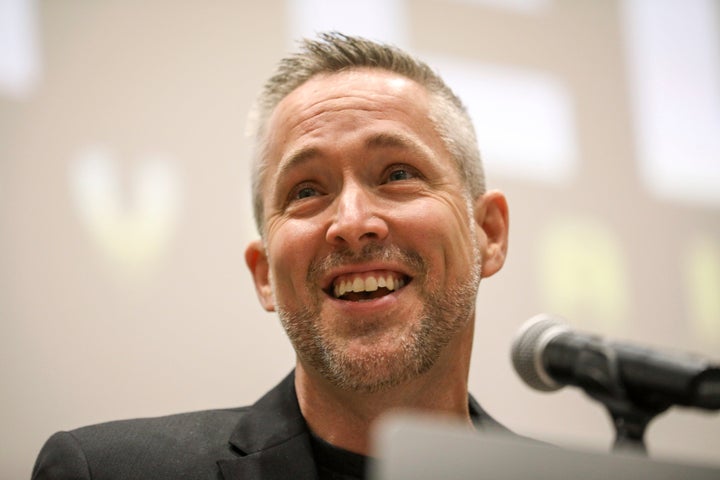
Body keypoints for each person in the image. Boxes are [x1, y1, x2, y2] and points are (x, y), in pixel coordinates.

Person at [32, 32, 511, 480]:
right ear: (263, 275)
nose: (351, 222)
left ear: (487, 233)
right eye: (305, 190)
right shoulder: (104, 472)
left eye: (398, 174)